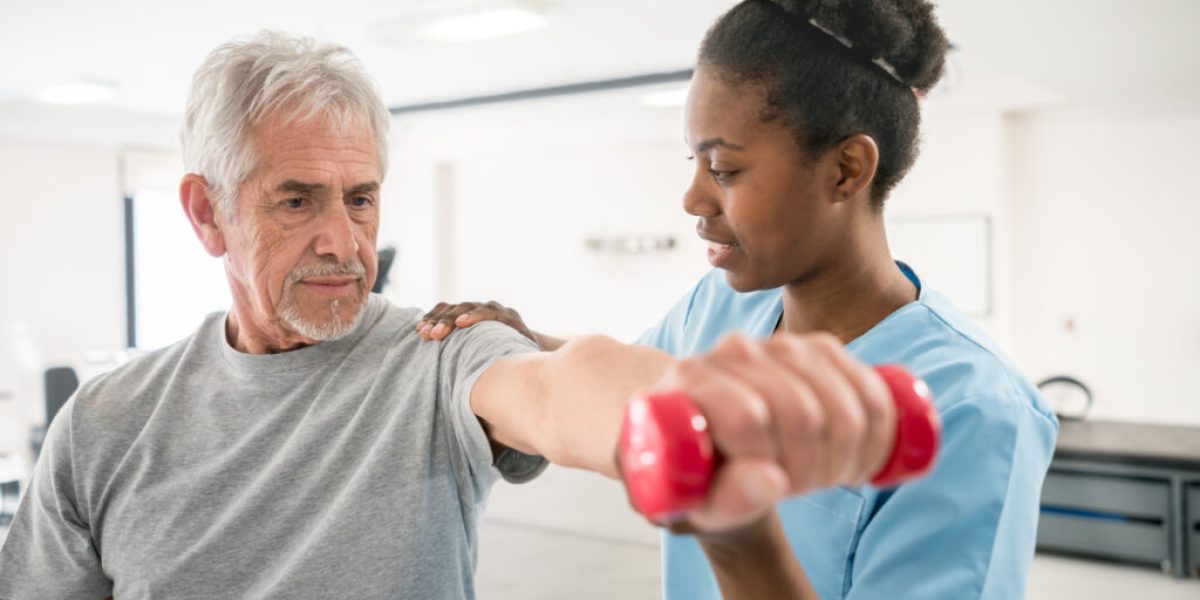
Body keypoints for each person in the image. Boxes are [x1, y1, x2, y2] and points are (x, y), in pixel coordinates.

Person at [0, 31, 902, 600]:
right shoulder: (107, 425)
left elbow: (564, 388)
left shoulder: (437, 352)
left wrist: (711, 412)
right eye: (296, 201)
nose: (341, 241)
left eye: (361, 198)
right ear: (206, 213)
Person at [417, 1, 1060, 598]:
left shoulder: (972, 408)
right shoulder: (719, 306)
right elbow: (629, 379)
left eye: (723, 169)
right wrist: (518, 342)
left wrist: (739, 536)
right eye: (695, 164)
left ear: (846, 170)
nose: (693, 200)